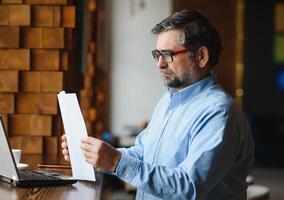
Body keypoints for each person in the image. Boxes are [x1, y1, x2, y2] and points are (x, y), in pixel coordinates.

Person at [61, 10, 254, 200]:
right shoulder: (169, 99)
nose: (159, 64)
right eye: (157, 55)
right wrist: (94, 155)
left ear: (201, 56)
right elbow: (144, 153)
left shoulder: (219, 113)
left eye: (168, 55)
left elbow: (188, 186)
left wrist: (115, 162)